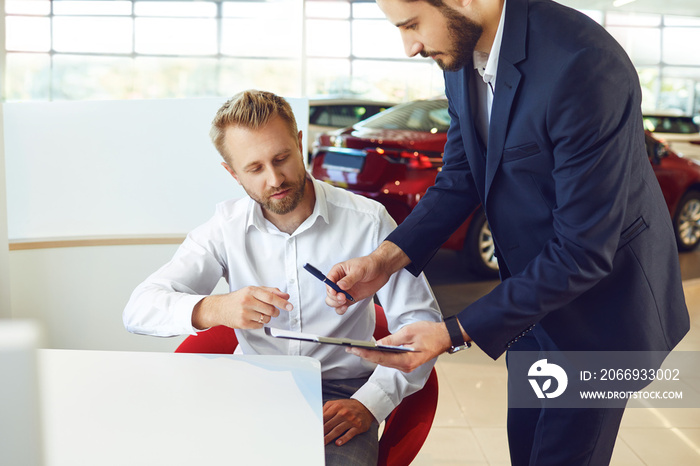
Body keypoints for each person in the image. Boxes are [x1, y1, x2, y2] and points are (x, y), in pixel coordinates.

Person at [324, 1, 691, 465]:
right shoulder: (461, 54)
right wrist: (383, 261)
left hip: (601, 315)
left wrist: (452, 332)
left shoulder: (584, 65)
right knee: (527, 443)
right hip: (528, 303)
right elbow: (460, 177)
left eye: (413, 25)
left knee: (562, 455)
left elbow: (583, 252)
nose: (410, 46)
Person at [123, 90, 442, 466]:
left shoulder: (369, 221)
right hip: (253, 388)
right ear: (232, 173)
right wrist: (215, 307)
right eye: (255, 169)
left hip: (341, 391)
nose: (275, 179)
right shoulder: (224, 228)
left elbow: (423, 325)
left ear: (300, 143)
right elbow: (139, 309)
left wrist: (369, 404)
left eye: (282, 158)